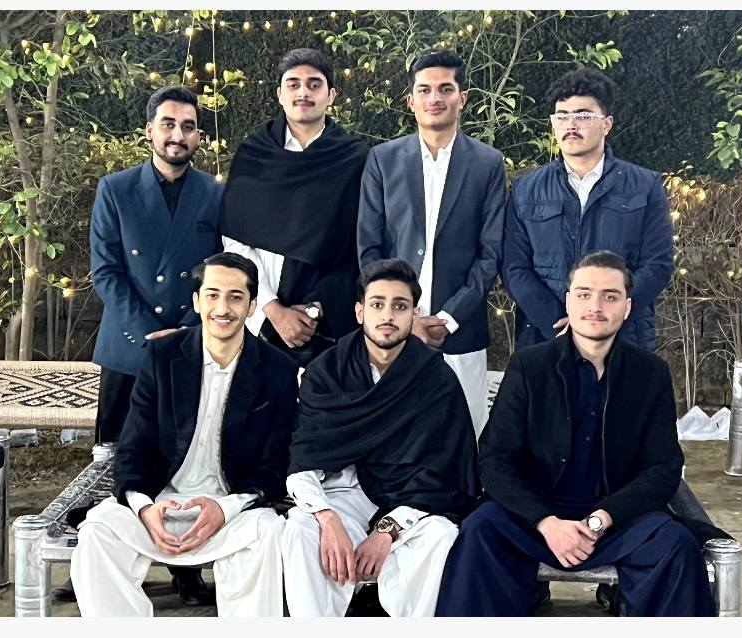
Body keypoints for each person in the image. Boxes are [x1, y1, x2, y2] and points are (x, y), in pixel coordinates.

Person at [436, 250, 716, 617]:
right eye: (584, 294)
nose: (595, 306)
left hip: (617, 518)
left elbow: (663, 467)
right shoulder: (529, 366)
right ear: (569, 302)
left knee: (675, 544)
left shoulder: (650, 373)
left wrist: (601, 519)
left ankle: (627, 601)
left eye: (609, 296)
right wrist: (546, 522)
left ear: (627, 307)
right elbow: (494, 459)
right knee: (479, 531)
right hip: (535, 515)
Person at [71, 252, 298, 617]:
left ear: (252, 306)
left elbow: (275, 464)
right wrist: (144, 508)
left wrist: (224, 509)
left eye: (235, 297)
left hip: (232, 508)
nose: (222, 308)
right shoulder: (163, 356)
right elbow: (133, 447)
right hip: (160, 501)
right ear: (196, 301)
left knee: (268, 531)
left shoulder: (278, 369)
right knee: (98, 530)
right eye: (212, 295)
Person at [82, 85, 224, 605]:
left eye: (187, 126)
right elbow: (106, 271)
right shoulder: (115, 188)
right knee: (116, 456)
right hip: (128, 346)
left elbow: (219, 268)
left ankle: (187, 567)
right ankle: (107, 560)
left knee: (182, 454)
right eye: (168, 124)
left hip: (189, 343)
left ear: (198, 136)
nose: (177, 135)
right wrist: (148, 331)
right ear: (149, 130)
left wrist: (187, 329)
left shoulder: (214, 193)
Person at [281, 258, 479, 617]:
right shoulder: (326, 372)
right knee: (300, 528)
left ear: (414, 314)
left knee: (440, 536)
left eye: (399, 306)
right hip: (342, 497)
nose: (387, 315)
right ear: (360, 312)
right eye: (377, 304)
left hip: (412, 502)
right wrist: (327, 517)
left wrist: (388, 529)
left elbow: (445, 474)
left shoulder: (436, 379)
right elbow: (302, 461)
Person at [357, 50, 505, 436]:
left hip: (461, 331)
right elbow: (369, 247)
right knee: (394, 437)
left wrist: (448, 318)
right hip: (392, 330)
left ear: (463, 97)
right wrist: (404, 316)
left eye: (445, 89)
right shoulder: (382, 160)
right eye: (424, 90)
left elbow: (491, 253)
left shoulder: (487, 163)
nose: (434, 98)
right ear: (411, 100)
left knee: (465, 437)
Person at [502, 69, 673, 351]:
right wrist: (558, 320)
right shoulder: (526, 189)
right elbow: (514, 267)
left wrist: (602, 317)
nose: (571, 124)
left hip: (622, 337)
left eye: (582, 115)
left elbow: (658, 264)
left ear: (606, 124)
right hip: (545, 336)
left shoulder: (644, 185)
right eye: (562, 116)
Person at [221, 47, 369, 368]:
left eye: (314, 84)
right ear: (279, 94)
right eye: (293, 84)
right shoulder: (254, 154)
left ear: (331, 95)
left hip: (329, 320)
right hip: (259, 317)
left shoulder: (353, 158)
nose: (303, 92)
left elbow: (359, 241)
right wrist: (272, 309)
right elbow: (235, 239)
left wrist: (317, 308)